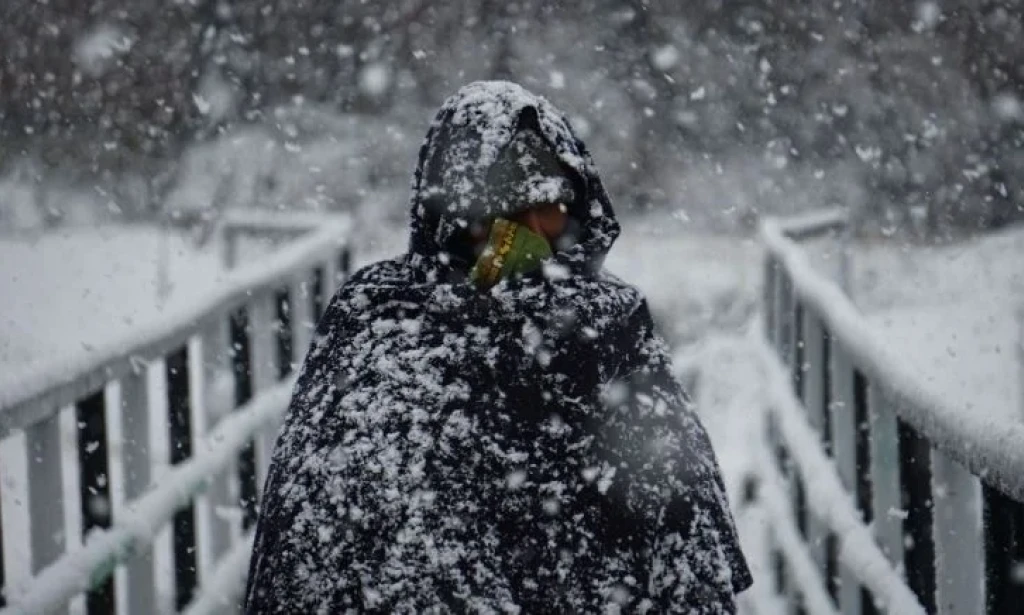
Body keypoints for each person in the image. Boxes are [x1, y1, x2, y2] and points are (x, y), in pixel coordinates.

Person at [243, 81, 752, 614]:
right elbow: (327, 537)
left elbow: (685, 542)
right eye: (505, 210)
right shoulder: (380, 319)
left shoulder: (616, 331)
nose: (529, 234)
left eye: (550, 207)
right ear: (456, 220)